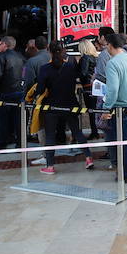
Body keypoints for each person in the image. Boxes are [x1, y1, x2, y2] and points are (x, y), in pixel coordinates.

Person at [34, 41, 94, 174]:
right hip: (70, 104)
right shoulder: (71, 67)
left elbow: (40, 89)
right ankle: (89, 157)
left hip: (52, 106)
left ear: (49, 51)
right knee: (77, 132)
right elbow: (81, 76)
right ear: (63, 51)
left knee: (50, 136)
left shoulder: (45, 69)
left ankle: (50, 166)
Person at [101, 34, 127, 182]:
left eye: (106, 45)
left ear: (111, 45)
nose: (106, 48)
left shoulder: (112, 63)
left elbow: (112, 89)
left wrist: (106, 108)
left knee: (122, 142)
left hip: (120, 108)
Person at [0, 35, 24, 148]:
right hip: (19, 91)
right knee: (18, 118)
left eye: (0, 44)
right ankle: (20, 141)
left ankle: (3, 141)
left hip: (5, 91)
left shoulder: (0, 58)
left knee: (3, 118)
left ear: (5, 45)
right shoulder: (21, 56)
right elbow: (25, 71)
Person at [77, 38, 101, 140]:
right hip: (96, 86)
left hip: (87, 87)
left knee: (91, 110)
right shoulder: (96, 57)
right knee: (95, 110)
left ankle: (94, 132)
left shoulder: (85, 58)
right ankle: (95, 131)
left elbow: (83, 73)